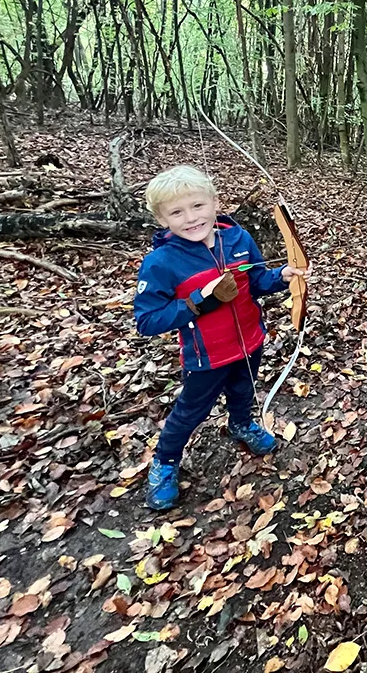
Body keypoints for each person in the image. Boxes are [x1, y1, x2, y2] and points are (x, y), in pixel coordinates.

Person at [133, 165, 301, 510]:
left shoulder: (238, 239)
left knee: (243, 390)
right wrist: (197, 302)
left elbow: (256, 282)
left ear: (214, 202)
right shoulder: (161, 262)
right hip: (206, 356)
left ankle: (241, 425)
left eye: (197, 206)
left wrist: (282, 276)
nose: (191, 218)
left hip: (249, 340)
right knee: (190, 412)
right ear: (162, 220)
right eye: (176, 212)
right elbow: (147, 320)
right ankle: (164, 463)